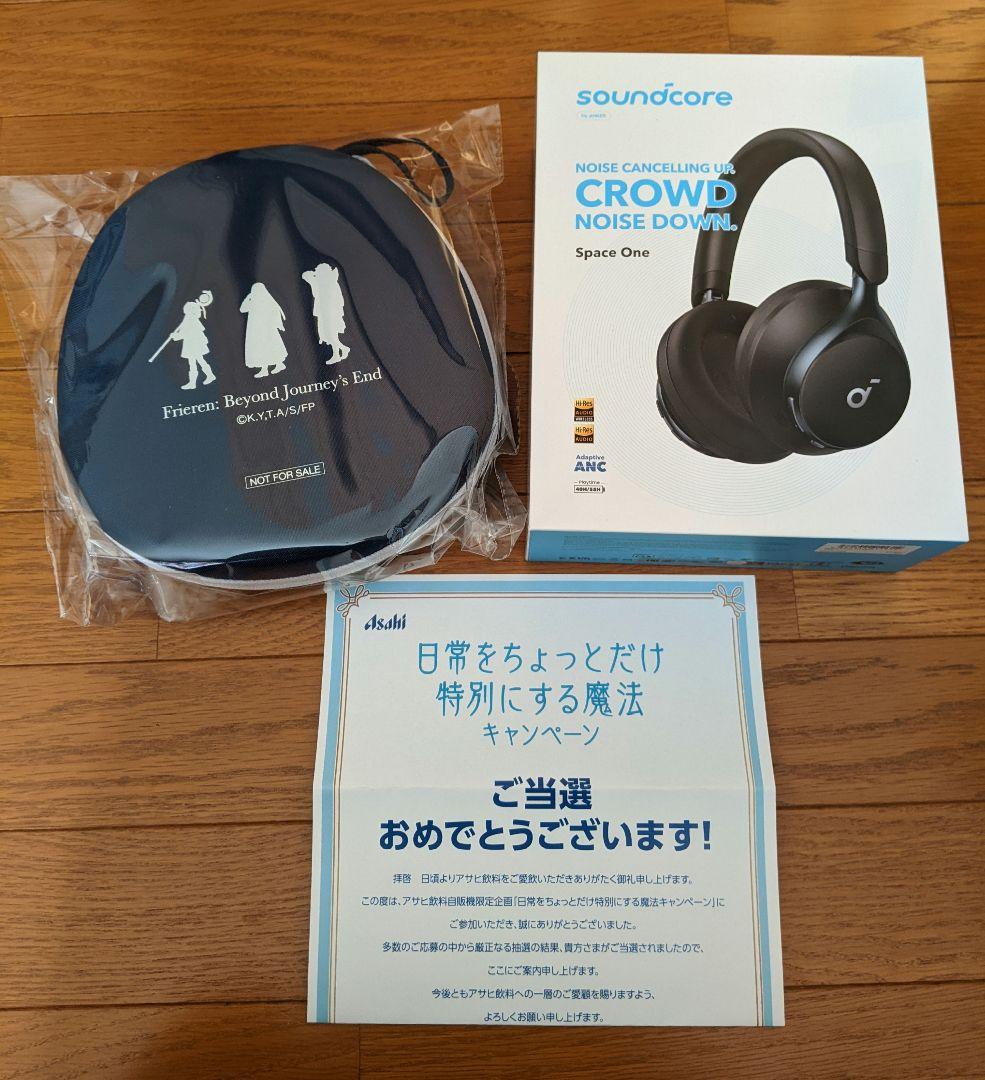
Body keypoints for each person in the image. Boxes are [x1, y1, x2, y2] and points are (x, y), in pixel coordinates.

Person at [301, 262, 350, 364]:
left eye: (319, 271)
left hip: (331, 314)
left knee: (331, 334)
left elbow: (336, 300)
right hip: (323, 313)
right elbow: (305, 275)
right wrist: (314, 273)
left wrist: (315, 275)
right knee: (327, 335)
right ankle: (343, 349)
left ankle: (337, 354)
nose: (317, 273)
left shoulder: (331, 282)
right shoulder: (320, 282)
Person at [168, 290, 215, 390]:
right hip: (190, 344)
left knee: (196, 362)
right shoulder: (188, 320)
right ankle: (200, 379)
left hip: (194, 345)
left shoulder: (191, 321)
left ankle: (201, 379)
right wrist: (176, 335)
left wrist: (175, 336)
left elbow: (185, 333)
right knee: (196, 362)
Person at [240, 282, 288, 378]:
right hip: (257, 331)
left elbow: (275, 313)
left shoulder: (268, 301)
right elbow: (242, 309)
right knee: (261, 349)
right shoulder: (252, 301)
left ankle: (279, 364)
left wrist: (277, 324)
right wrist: (248, 297)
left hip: (268, 331)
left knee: (270, 347)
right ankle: (264, 369)